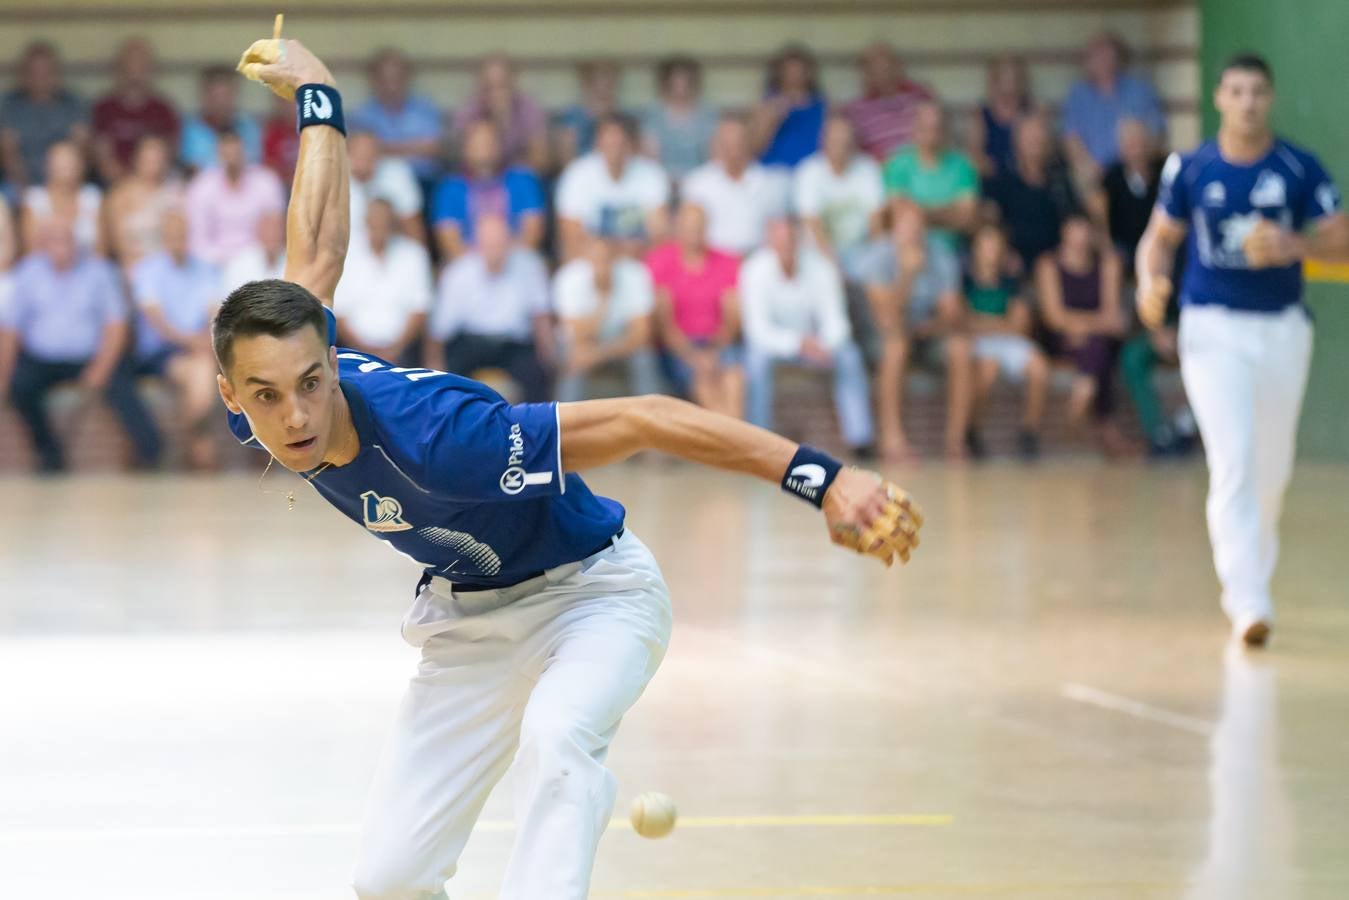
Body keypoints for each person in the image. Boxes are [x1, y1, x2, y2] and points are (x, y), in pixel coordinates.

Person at [224, 40, 920, 900]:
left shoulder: (445, 439)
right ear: (232, 391)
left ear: (329, 362)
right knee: (388, 880)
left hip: (594, 594)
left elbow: (644, 418)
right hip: (467, 625)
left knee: (558, 740)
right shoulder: (269, 369)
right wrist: (320, 99)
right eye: (265, 396)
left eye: (309, 384)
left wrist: (823, 478)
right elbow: (316, 253)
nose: (292, 416)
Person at [1136, 53, 1349, 646]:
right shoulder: (1191, 168)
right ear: (1219, 100)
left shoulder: (1300, 168)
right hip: (1211, 330)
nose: (1248, 101)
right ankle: (1248, 599)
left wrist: (1295, 244)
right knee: (1233, 458)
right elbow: (1158, 241)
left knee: (1270, 471)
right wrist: (1147, 282)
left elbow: (1342, 244)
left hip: (1282, 330)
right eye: (1237, 91)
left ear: (1270, 98)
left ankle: (1254, 580)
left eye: (1258, 91)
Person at [0, 220, 160, 473]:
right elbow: (10, 330)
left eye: (66, 241)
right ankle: (49, 455)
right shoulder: (27, 273)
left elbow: (115, 326)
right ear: (43, 245)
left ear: (76, 243)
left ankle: (151, 453)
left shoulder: (99, 271)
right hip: (42, 358)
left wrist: (100, 369)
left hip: (90, 355)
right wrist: (3, 376)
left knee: (122, 384)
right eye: (54, 241)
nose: (61, 248)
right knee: (20, 387)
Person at [740, 217, 874, 455]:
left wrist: (822, 344)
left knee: (849, 356)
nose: (786, 246)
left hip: (818, 346)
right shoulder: (753, 270)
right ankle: (756, 440)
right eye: (780, 240)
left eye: (791, 240)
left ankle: (860, 439)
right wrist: (797, 343)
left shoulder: (820, 266)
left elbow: (836, 321)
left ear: (799, 240)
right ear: (768, 242)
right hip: (776, 347)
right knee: (755, 362)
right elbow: (757, 330)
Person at [856, 206, 970, 462]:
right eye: (906, 226)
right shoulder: (878, 257)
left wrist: (932, 326)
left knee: (960, 347)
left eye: (918, 226)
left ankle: (956, 440)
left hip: (926, 330)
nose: (913, 233)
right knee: (896, 347)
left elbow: (952, 312)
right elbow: (888, 320)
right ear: (892, 229)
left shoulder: (939, 254)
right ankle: (892, 440)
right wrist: (907, 276)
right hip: (884, 335)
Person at [427, 213, 553, 403]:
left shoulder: (529, 266)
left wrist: (548, 356)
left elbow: (541, 317)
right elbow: (439, 330)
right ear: (477, 244)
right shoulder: (458, 272)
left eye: (499, 243)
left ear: (510, 241)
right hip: (470, 343)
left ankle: (535, 431)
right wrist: (434, 365)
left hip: (514, 345)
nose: (494, 250)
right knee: (449, 384)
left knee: (537, 378)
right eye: (489, 243)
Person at [130, 209, 221, 469]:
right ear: (163, 239)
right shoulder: (148, 270)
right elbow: (158, 323)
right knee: (203, 369)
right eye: (172, 236)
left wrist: (203, 341)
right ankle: (196, 446)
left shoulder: (204, 269)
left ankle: (190, 445)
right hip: (161, 351)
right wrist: (196, 342)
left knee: (200, 370)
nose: (178, 241)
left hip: (198, 349)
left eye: (182, 236)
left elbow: (214, 314)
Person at [1036, 214, 1129, 453]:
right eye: (1074, 228)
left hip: (1095, 339)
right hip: (1062, 340)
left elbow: (1114, 318)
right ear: (1063, 232)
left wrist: (1079, 326)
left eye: (1085, 229)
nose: (1080, 236)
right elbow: (1054, 318)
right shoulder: (1048, 264)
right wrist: (1088, 325)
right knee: (1098, 349)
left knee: (1097, 345)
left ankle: (1083, 395)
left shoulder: (1107, 263)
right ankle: (1105, 425)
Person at [646, 203, 743, 417]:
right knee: (703, 381)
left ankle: (727, 443)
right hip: (680, 349)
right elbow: (665, 323)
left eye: (699, 227)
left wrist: (713, 352)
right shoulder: (661, 261)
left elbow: (732, 318)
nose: (695, 234)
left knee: (734, 377)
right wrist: (696, 357)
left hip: (718, 344)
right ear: (678, 228)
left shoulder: (727, 261)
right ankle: (734, 444)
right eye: (689, 227)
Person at [960, 223, 1048, 459]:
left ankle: (1029, 433)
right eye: (985, 244)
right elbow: (960, 320)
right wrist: (998, 322)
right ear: (975, 248)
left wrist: (981, 322)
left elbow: (1019, 325)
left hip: (1007, 341)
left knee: (1038, 367)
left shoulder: (1012, 280)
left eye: (995, 244)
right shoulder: (963, 279)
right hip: (976, 343)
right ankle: (972, 430)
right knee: (987, 370)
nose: (990, 250)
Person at [553, 234, 662, 401]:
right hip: (586, 344)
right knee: (573, 359)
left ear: (617, 258)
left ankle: (654, 418)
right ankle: (565, 422)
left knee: (644, 358)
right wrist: (602, 300)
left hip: (620, 344)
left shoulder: (635, 274)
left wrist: (598, 355)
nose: (602, 265)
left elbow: (641, 335)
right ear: (586, 258)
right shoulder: (570, 277)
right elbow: (576, 336)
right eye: (596, 259)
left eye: (606, 259)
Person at [554, 114, 670, 260]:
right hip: (590, 263)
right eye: (608, 141)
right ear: (597, 143)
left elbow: (659, 236)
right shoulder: (576, 175)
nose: (614, 148)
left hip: (639, 262)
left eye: (619, 142)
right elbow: (571, 238)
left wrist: (617, 250)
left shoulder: (652, 174)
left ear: (631, 144)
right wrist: (613, 251)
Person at [333, 198, 432, 365]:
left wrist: (395, 350)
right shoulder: (346, 256)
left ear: (394, 224)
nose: (380, 227)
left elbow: (420, 309)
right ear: (365, 222)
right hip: (353, 352)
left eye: (385, 222)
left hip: (403, 354)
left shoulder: (414, 254)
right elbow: (339, 313)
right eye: (375, 221)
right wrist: (365, 351)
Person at [1061, 32, 1166, 184]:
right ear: (1087, 61)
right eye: (1095, 55)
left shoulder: (1140, 90)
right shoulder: (1078, 95)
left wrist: (1134, 161)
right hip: (1093, 171)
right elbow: (1071, 138)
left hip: (1133, 167)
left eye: (1107, 54)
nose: (1102, 61)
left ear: (1119, 57)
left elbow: (1156, 134)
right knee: (1083, 183)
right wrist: (1089, 167)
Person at [432, 118, 544, 260]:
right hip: (468, 265)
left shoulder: (522, 181)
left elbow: (532, 237)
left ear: (501, 146)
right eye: (477, 142)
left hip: (516, 262)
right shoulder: (450, 188)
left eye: (490, 141)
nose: (484, 148)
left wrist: (499, 258)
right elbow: (450, 244)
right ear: (464, 148)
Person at [983, 111, 1081, 274]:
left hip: (1056, 263)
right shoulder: (1002, 180)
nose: (1035, 141)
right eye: (1029, 137)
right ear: (1016, 142)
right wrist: (1005, 251)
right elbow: (991, 220)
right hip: (1014, 262)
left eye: (1039, 136)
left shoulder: (1060, 180)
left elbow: (1072, 219)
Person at [792, 112, 886, 277]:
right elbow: (812, 223)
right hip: (819, 252)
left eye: (845, 141)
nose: (841, 147)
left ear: (854, 143)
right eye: (835, 141)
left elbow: (876, 224)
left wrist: (875, 255)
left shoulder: (868, 168)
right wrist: (832, 261)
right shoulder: (808, 171)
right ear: (823, 142)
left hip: (860, 250)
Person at [680, 115, 787, 256]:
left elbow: (778, 231)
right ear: (717, 144)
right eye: (727, 143)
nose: (733, 149)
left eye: (739, 142)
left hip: (757, 261)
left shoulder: (768, 183)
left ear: (748, 143)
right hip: (713, 263)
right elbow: (688, 235)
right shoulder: (697, 183)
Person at [884, 100, 979, 252]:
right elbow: (897, 213)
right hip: (904, 249)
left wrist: (919, 212)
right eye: (925, 128)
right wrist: (947, 212)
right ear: (914, 129)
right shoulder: (898, 164)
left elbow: (966, 218)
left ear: (946, 130)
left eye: (936, 128)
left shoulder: (962, 166)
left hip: (949, 250)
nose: (931, 134)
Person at [185, 129, 286, 266]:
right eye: (227, 153)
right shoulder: (202, 186)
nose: (232, 158)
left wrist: (249, 259)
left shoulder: (266, 182)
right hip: (214, 265)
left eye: (236, 152)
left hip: (259, 261)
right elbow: (198, 241)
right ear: (218, 154)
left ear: (244, 151)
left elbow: (275, 229)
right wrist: (227, 261)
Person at [0, 41, 88, 194]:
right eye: (33, 72)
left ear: (56, 74)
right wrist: (27, 192)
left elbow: (81, 148)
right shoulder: (10, 105)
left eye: (46, 71)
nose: (40, 78)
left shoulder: (72, 104)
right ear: (23, 75)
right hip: (20, 183)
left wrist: (64, 188)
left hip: (66, 183)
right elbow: (8, 152)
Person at [90, 37, 179, 185]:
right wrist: (129, 188)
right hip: (112, 186)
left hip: (154, 185)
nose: (135, 69)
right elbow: (103, 159)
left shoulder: (164, 110)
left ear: (150, 67)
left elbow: (168, 155)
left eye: (141, 63)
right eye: (130, 62)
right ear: (119, 67)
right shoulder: (104, 108)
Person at [352, 49, 445, 185]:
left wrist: (385, 148)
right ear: (374, 80)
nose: (391, 84)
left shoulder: (424, 108)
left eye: (397, 77)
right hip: (379, 182)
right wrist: (414, 147)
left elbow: (434, 148)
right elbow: (362, 153)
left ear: (407, 77)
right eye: (384, 78)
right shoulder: (363, 114)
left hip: (424, 180)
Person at [452, 53, 549, 173]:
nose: (496, 92)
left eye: (502, 85)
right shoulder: (469, 111)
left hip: (519, 179)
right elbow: (464, 160)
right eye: (489, 86)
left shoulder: (528, 108)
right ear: (480, 84)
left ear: (513, 82)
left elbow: (540, 160)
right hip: (478, 180)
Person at [841, 42, 933, 163]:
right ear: (865, 73)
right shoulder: (855, 111)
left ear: (897, 67)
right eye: (874, 68)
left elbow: (935, 133)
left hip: (919, 169)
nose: (882, 73)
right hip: (880, 173)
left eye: (887, 66)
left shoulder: (919, 97)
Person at [104, 134, 184, 272]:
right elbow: (120, 246)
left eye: (159, 157)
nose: (154, 163)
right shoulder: (120, 195)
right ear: (137, 159)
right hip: (136, 268)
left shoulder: (177, 191)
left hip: (173, 267)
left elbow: (183, 236)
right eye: (149, 158)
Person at [20, 140, 105, 257]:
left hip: (88, 269)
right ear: (47, 166)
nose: (66, 168)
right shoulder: (35, 198)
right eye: (59, 163)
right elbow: (31, 251)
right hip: (45, 270)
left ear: (81, 165)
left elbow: (102, 249)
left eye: (71, 162)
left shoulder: (92, 196)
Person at [641, 56, 718, 182]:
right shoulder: (654, 114)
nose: (681, 86)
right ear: (666, 82)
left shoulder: (707, 113)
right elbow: (651, 159)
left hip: (701, 182)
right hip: (661, 182)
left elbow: (713, 158)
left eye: (686, 80)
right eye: (676, 80)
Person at [749, 45, 826, 170]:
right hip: (775, 171)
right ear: (779, 73)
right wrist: (771, 117)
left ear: (809, 73)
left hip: (813, 172)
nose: (795, 76)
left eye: (799, 71)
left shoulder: (821, 105)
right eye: (789, 71)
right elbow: (753, 149)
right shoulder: (767, 104)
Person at [180, 66, 262, 172]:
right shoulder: (189, 130)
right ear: (203, 95)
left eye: (226, 96)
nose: (221, 102)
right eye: (215, 96)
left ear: (235, 94)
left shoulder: (249, 128)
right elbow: (191, 172)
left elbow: (256, 168)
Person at [348, 130, 424, 246]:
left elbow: (412, 225)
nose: (364, 159)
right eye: (359, 153)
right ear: (346, 154)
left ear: (379, 155)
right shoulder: (331, 179)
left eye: (370, 153)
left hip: (390, 251)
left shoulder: (397, 173)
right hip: (348, 253)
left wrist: (419, 256)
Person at [965, 55, 1033, 179]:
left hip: (1026, 181)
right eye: (1003, 77)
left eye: (1015, 78)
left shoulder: (1032, 113)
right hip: (991, 182)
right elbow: (974, 158)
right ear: (992, 81)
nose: (1009, 84)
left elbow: (1040, 159)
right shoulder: (979, 115)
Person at [554, 59, 622, 167]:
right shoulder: (573, 116)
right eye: (601, 77)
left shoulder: (620, 118)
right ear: (586, 83)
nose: (606, 84)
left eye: (610, 78)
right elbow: (566, 160)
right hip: (580, 176)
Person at [221, 210, 286, 290]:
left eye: (277, 229)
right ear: (258, 232)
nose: (272, 234)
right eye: (267, 230)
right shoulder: (239, 262)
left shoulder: (294, 261)